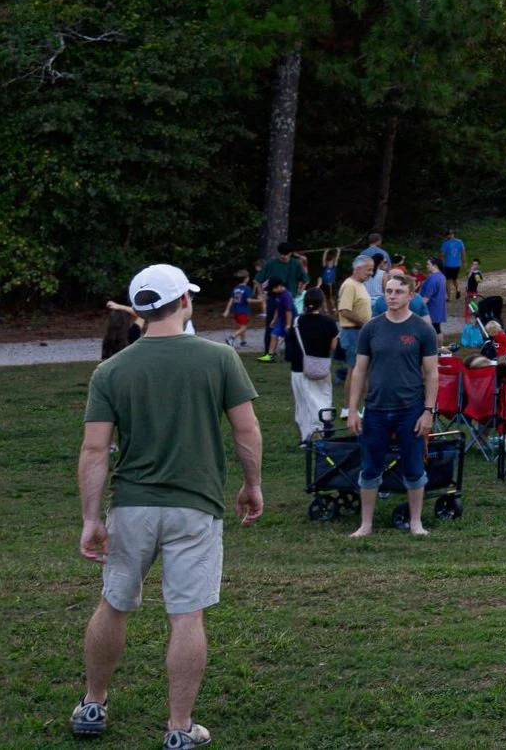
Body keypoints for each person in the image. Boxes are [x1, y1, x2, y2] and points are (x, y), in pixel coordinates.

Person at [71, 264, 262, 747]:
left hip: (131, 506)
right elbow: (246, 429)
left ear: (140, 309)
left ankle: (93, 702)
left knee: (114, 603)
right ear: (185, 302)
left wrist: (91, 518)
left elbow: (94, 449)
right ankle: (179, 728)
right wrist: (252, 484)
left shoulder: (111, 370)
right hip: (196, 507)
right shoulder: (219, 358)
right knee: (186, 616)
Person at [342, 272, 440, 539]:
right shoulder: (371, 328)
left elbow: (432, 373)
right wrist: (352, 409)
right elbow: (360, 371)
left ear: (411, 295)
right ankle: (366, 525)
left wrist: (428, 411)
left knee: (414, 467)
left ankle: (416, 522)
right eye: (388, 291)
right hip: (375, 409)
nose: (392, 296)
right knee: (370, 467)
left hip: (411, 408)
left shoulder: (422, 329)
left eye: (398, 292)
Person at [283, 289, 340, 445]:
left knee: (302, 403)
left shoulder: (297, 322)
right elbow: (333, 346)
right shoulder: (329, 323)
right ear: (322, 302)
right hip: (320, 366)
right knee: (322, 398)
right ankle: (322, 427)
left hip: (299, 367)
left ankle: (306, 436)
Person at [332, 255, 374, 375]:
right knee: (355, 370)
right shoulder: (350, 285)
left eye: (372, 269)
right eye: (369, 269)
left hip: (359, 332)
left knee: (361, 370)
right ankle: (352, 389)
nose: (371, 273)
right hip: (352, 333)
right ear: (357, 268)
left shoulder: (360, 284)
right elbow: (344, 311)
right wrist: (366, 324)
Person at [418, 256, 450, 334]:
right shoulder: (442, 276)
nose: (427, 266)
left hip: (430, 310)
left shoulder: (433, 279)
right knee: (437, 330)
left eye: (428, 264)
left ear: (435, 265)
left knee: (431, 331)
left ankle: (436, 342)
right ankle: (440, 342)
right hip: (437, 308)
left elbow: (426, 298)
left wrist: (416, 308)